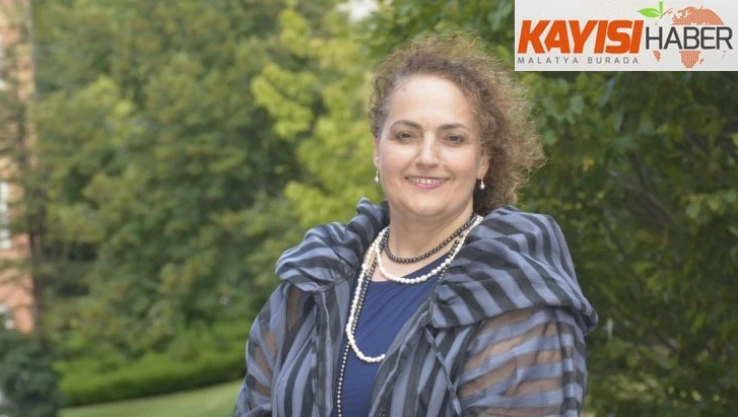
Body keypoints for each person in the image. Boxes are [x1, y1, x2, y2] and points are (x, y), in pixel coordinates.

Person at [233, 33, 598, 417]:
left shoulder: (514, 289)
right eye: (405, 135)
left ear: (483, 160)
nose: (426, 157)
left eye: (453, 138)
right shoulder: (312, 283)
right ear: (377, 150)